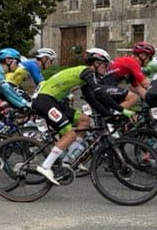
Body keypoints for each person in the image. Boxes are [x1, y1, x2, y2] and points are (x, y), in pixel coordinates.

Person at [31, 48, 125, 185]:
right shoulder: (87, 71)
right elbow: (98, 91)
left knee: (84, 120)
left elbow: (92, 99)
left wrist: (110, 115)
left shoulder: (84, 77)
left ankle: (69, 158)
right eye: (105, 65)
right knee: (70, 134)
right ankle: (45, 166)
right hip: (45, 101)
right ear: (96, 63)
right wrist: (121, 109)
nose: (106, 69)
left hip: (53, 101)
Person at [100, 42, 155, 109]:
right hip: (102, 88)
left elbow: (138, 88)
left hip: (105, 87)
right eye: (150, 58)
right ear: (143, 56)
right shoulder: (132, 62)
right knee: (133, 98)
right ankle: (114, 116)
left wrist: (151, 101)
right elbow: (145, 83)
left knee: (132, 115)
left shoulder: (130, 65)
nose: (150, 61)